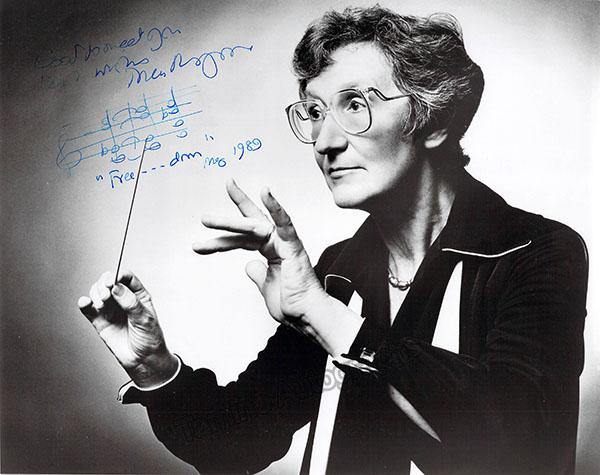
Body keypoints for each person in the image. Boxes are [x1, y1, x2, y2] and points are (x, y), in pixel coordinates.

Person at [78, 6, 588, 474]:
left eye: (355, 105)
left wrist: (320, 314)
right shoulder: (338, 271)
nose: (325, 142)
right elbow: (237, 440)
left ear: (434, 121)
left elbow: (523, 444)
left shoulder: (536, 252)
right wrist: (154, 365)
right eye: (316, 112)